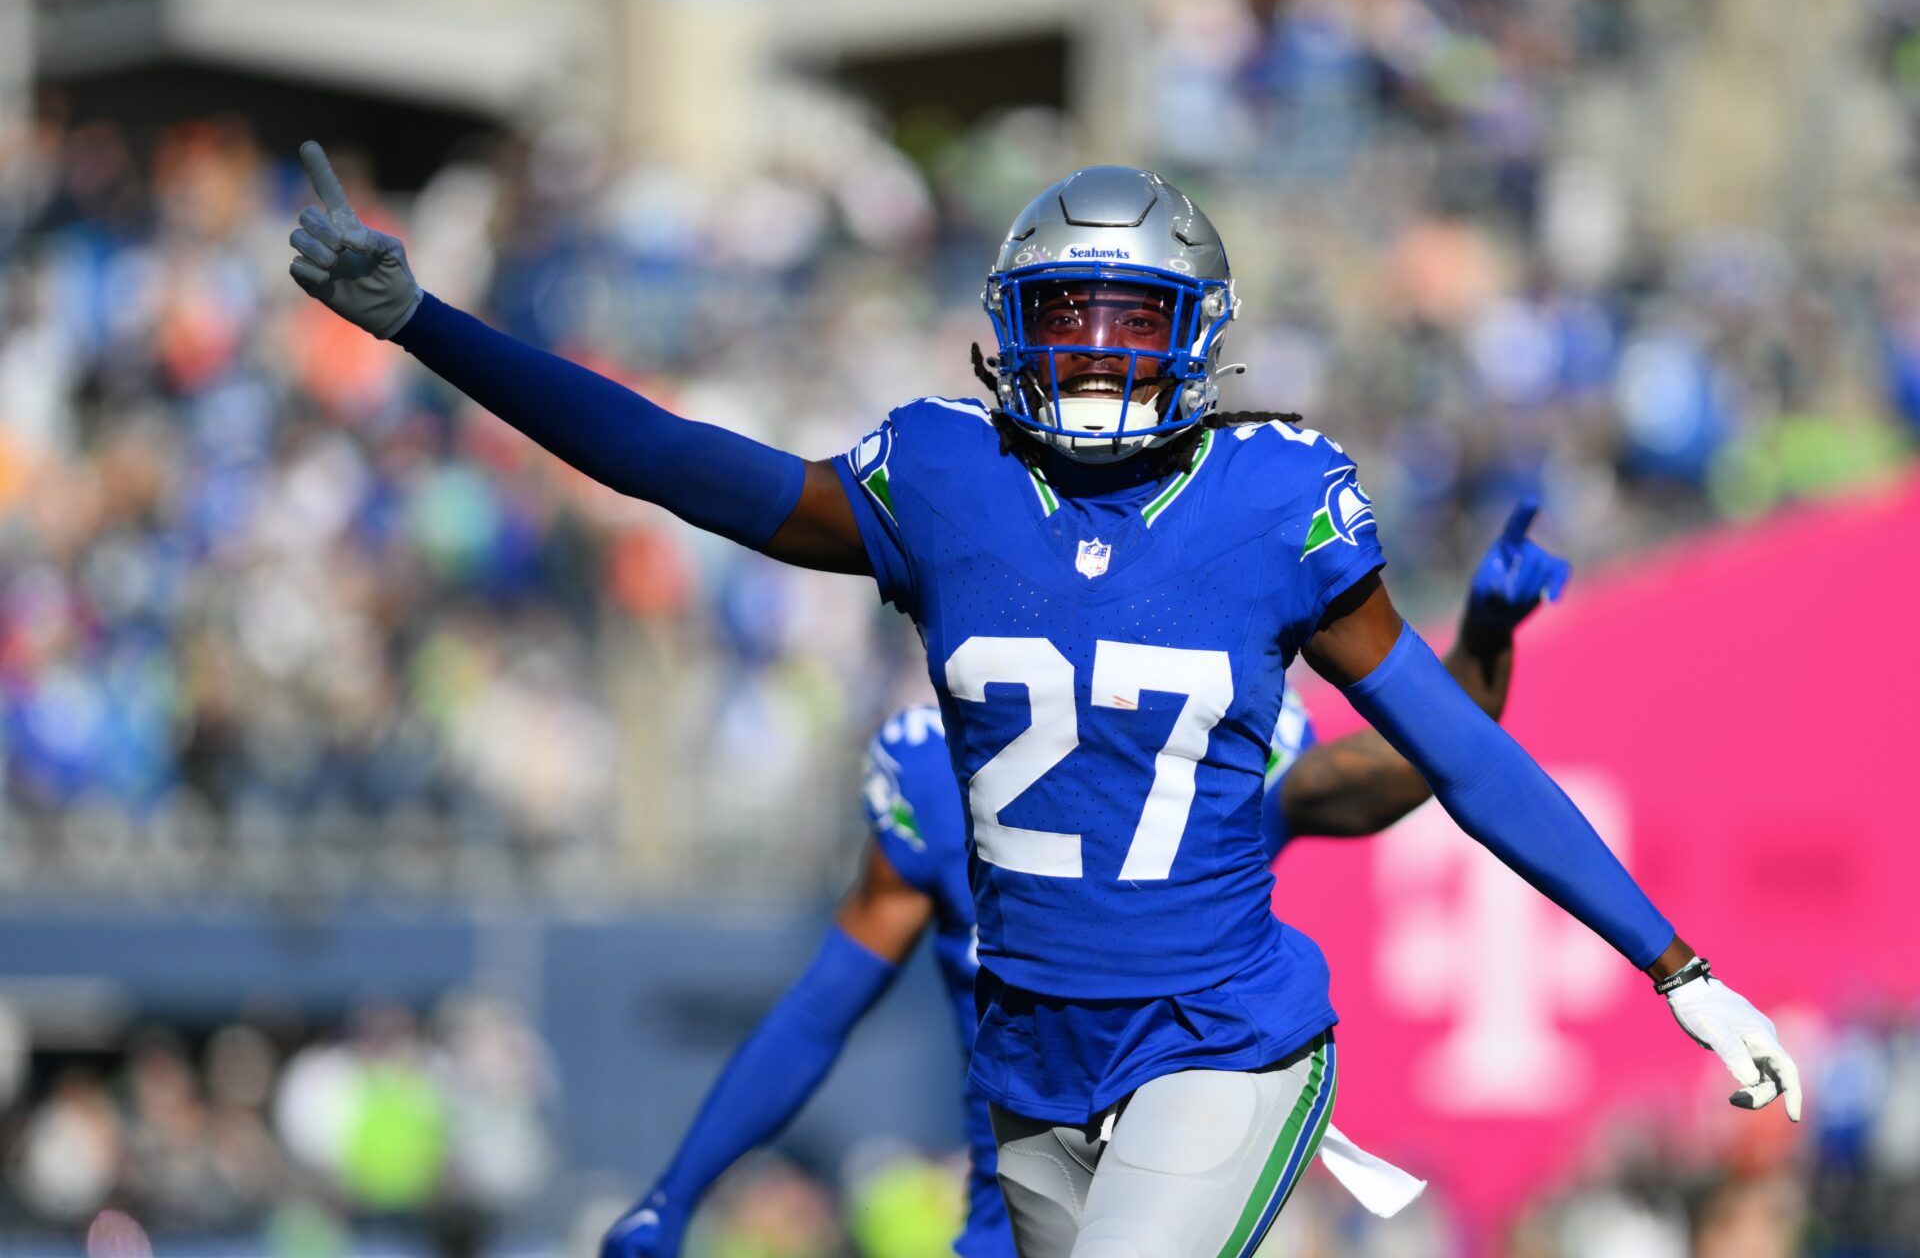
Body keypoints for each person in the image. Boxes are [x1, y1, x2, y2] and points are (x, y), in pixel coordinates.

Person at [288, 148, 1800, 1258]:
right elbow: (668, 459)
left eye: (1128, 322)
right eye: (1063, 314)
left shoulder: (1273, 501)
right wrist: (428, 323)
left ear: (1196, 333)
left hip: (1221, 1040)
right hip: (1027, 1063)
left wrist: (1677, 967)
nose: (1088, 349)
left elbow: (1449, 755)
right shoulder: (944, 479)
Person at [598, 504, 1568, 1258]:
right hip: (1016, 1226)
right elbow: (818, 1010)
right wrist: (675, 1190)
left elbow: (1418, 762)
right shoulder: (936, 772)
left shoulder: (1210, 736)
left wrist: (1482, 641)